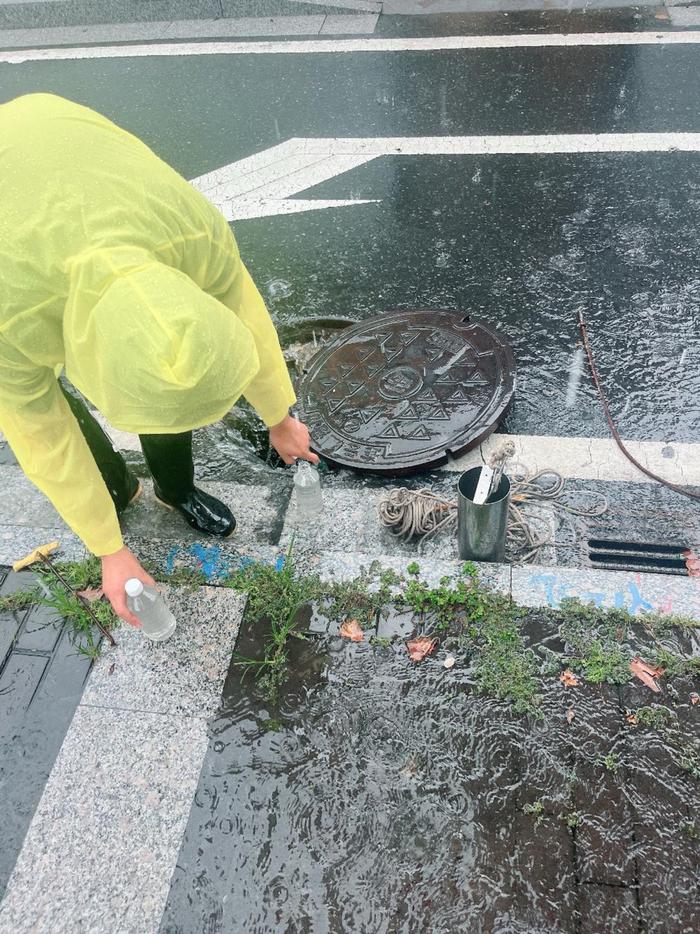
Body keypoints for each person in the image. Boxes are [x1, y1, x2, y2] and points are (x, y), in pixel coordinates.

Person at [0, 93, 318, 626]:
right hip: (20, 250)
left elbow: (245, 313)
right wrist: (108, 547)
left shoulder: (196, 233)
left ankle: (176, 490)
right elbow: (41, 432)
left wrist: (278, 417)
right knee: (48, 404)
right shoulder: (12, 323)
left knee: (163, 366)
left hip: (59, 132)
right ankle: (116, 490)